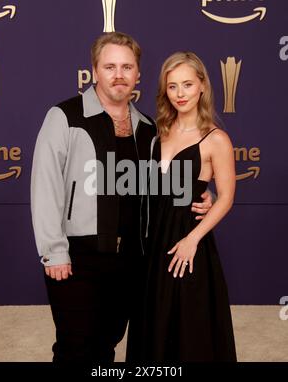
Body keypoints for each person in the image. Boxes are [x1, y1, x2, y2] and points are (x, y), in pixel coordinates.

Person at [31, 33, 213, 363]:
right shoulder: (65, 117)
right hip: (77, 256)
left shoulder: (148, 129)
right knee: (76, 346)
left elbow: (164, 184)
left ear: (138, 75)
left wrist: (203, 191)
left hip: (132, 258)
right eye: (110, 66)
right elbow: (45, 186)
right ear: (94, 71)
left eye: (127, 67)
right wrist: (53, 250)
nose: (119, 74)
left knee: (107, 343)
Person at [126, 51, 237, 362]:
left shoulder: (216, 139)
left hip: (187, 240)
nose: (180, 94)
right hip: (152, 240)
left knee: (188, 323)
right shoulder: (155, 131)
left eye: (187, 84)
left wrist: (192, 239)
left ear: (202, 85)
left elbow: (227, 196)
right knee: (153, 317)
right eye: (172, 86)